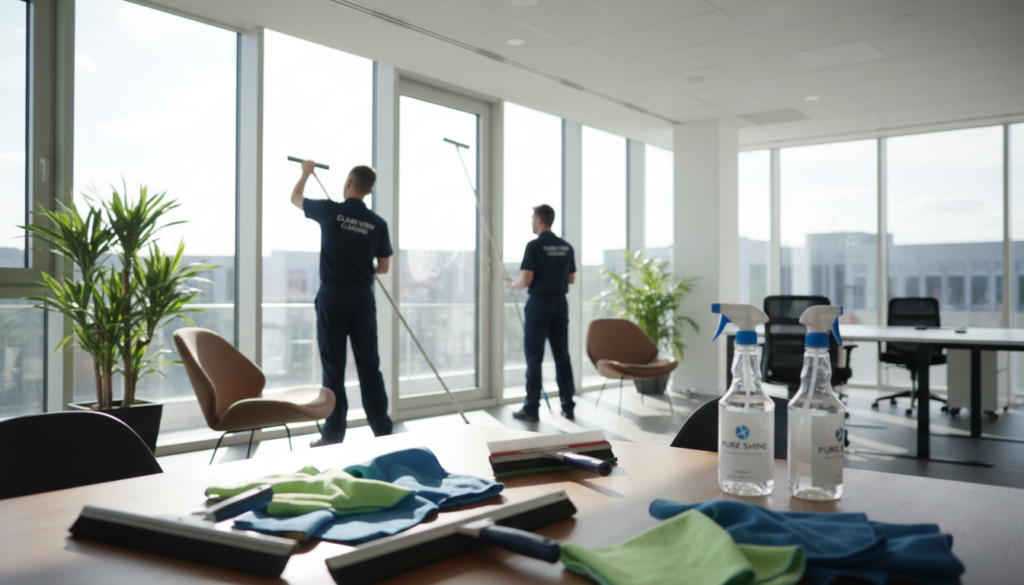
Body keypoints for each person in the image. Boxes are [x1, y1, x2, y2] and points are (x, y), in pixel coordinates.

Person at [292, 160, 393, 445]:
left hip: (333, 295)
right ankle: (383, 432)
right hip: (362, 297)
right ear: (369, 191)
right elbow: (383, 267)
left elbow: (295, 198)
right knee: (369, 365)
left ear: (348, 183)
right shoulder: (378, 223)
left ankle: (334, 435)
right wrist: (362, 270)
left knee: (333, 367)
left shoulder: (329, 210)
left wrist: (305, 173)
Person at [507, 204, 576, 422]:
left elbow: (526, 280)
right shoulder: (566, 246)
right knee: (562, 355)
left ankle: (531, 407)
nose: (531, 223)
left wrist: (512, 285)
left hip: (539, 304)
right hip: (559, 304)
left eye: (532, 219)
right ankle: (567, 404)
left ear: (539, 221)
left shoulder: (534, 246)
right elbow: (571, 279)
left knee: (534, 357)